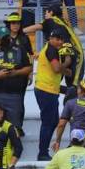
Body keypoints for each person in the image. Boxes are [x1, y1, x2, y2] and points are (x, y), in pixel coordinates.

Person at [0, 25, 32, 134]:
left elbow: (29, 67)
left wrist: (16, 72)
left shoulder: (20, 50)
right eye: (2, 37)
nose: (6, 39)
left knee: (14, 128)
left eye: (7, 37)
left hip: (15, 94)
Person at [34, 29, 69, 161]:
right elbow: (56, 68)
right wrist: (67, 62)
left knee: (53, 121)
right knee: (48, 122)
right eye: (57, 38)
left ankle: (43, 151)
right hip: (46, 90)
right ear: (50, 38)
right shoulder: (51, 50)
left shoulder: (49, 49)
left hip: (48, 89)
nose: (60, 42)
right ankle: (42, 153)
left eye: (62, 39)